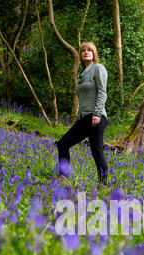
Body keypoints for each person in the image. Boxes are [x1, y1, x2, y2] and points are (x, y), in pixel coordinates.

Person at [56, 41, 110, 186]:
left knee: (97, 151)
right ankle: (63, 177)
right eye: (83, 50)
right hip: (84, 118)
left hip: (95, 116)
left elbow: (102, 92)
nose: (86, 52)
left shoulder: (98, 68)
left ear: (94, 54)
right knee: (63, 144)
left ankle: (103, 184)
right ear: (80, 54)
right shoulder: (81, 74)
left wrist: (97, 113)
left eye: (89, 50)